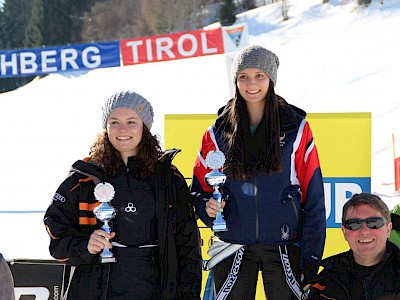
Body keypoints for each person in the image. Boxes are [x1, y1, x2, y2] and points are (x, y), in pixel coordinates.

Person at [190, 44, 326, 300]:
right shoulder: (216, 133)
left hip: (285, 246)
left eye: (259, 76)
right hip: (232, 246)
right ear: (235, 81)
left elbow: (315, 198)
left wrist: (310, 258)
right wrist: (208, 210)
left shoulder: (296, 129)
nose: (251, 84)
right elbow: (198, 192)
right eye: (243, 77)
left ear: (271, 79)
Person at [44, 90, 202, 299]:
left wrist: (189, 295)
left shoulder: (168, 178)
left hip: (158, 290)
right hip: (97, 289)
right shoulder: (84, 177)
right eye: (114, 122)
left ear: (144, 126)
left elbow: (188, 244)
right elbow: (57, 234)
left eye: (131, 121)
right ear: (105, 127)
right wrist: (85, 246)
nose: (122, 129)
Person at [307, 192, 400, 299]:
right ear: (344, 232)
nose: (364, 231)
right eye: (354, 224)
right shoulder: (326, 283)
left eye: (374, 222)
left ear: (388, 229)